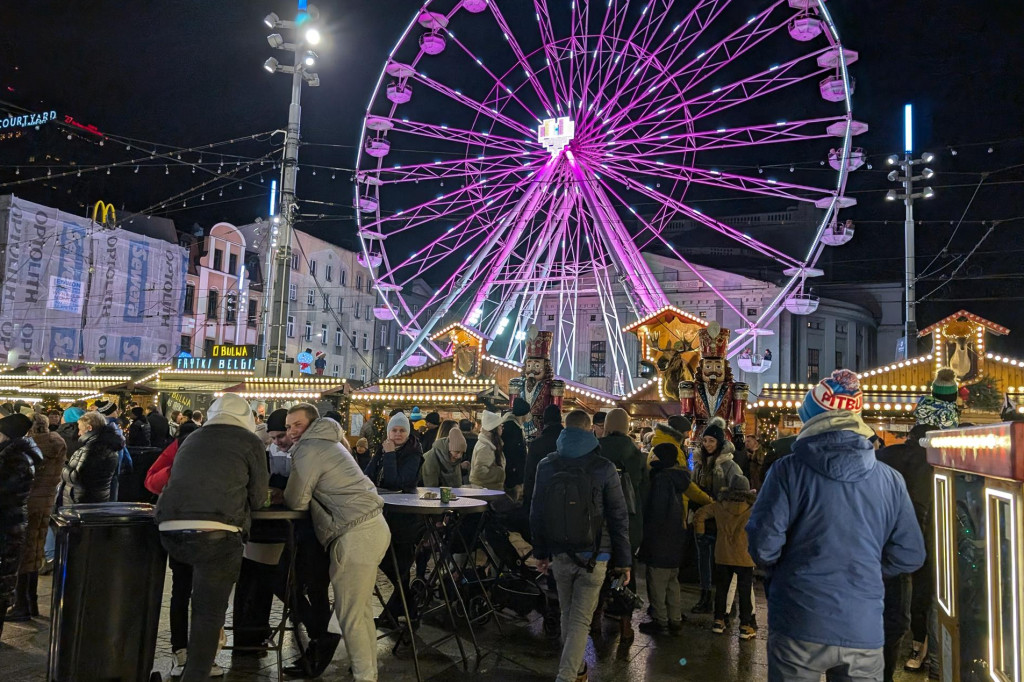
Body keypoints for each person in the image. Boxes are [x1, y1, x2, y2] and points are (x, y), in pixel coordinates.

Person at [747, 369, 925, 682]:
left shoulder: (787, 471)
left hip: (798, 619)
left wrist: (791, 569)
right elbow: (910, 553)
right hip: (863, 625)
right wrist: (868, 567)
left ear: (811, 417)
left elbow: (763, 545)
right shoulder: (890, 480)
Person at [155, 394, 268, 681]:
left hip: (170, 529)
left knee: (181, 592)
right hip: (217, 533)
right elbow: (257, 498)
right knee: (207, 613)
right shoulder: (250, 442)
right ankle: (195, 674)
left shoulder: (192, 438)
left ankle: (179, 654)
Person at [285, 404, 389, 681]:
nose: (291, 431)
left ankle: (365, 676)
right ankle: (367, 673)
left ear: (312, 424)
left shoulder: (309, 449)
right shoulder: (332, 443)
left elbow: (296, 500)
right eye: (288, 426)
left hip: (355, 531)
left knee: (350, 614)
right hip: (373, 526)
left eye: (297, 424)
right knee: (360, 611)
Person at [530, 410, 631, 682]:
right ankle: (567, 676)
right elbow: (618, 516)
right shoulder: (604, 468)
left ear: (565, 429)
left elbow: (536, 512)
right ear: (590, 430)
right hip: (596, 554)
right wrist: (624, 561)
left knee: (568, 614)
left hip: (560, 552)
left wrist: (540, 552)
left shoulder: (547, 465)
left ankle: (577, 671)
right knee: (579, 620)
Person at [144, 421, 205, 675]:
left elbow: (152, 481)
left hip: (184, 526)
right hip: (189, 529)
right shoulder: (179, 449)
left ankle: (190, 651)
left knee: (191, 592)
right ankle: (186, 651)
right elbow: (152, 481)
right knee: (191, 591)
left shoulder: (186, 447)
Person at [364, 411, 424, 623]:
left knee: (398, 564)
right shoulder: (383, 449)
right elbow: (368, 476)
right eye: (394, 430)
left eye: (401, 431)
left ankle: (398, 610)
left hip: (404, 517)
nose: (397, 435)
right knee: (392, 564)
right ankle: (406, 605)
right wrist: (382, 455)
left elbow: (396, 482)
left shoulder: (413, 453)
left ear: (408, 433)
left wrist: (389, 455)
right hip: (383, 513)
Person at [7, 415, 64, 622]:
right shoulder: (57, 444)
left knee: (23, 554)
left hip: (29, 504)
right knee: (34, 552)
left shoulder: (29, 449)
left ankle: (22, 604)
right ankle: (30, 602)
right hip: (45, 503)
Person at [597, 407, 646, 641]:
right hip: (628, 522)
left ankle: (597, 616)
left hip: (600, 521)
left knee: (598, 571)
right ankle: (626, 623)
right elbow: (642, 491)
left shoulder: (597, 449)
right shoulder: (636, 454)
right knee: (624, 570)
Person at [637, 442, 692, 636]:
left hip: (661, 538)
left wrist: (646, 536)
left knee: (657, 581)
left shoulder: (661, 479)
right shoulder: (678, 478)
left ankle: (660, 620)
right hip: (676, 535)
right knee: (672, 581)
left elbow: (656, 512)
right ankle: (675, 619)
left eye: (655, 455)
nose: (651, 458)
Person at [694, 475, 758, 640]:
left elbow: (700, 514)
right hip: (745, 555)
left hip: (722, 554)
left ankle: (718, 621)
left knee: (722, 589)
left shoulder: (719, 505)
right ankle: (745, 626)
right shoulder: (753, 508)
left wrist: (700, 533)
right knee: (744, 591)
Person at [691, 417, 742, 613]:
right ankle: (705, 596)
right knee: (703, 560)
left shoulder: (729, 465)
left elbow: (737, 490)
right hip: (702, 519)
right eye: (705, 441)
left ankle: (724, 599)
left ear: (719, 442)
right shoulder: (699, 464)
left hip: (722, 520)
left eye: (711, 441)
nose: (707, 444)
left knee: (722, 561)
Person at [0, 414, 40, 639]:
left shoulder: (15, 460)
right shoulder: (14, 456)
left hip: (7, 527)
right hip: (10, 525)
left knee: (3, 581)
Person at [58, 412, 121, 507]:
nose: (79, 433)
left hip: (81, 499)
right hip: (97, 496)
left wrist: (62, 467)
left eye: (80, 429)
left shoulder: (91, 449)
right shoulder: (108, 445)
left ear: (89, 428)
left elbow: (78, 477)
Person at [523, 405, 562, 514]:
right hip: (565, 496)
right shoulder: (568, 443)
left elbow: (530, 475)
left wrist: (527, 502)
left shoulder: (536, 444)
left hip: (541, 495)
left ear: (544, 421)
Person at [93, 399, 132, 501]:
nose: (117, 412)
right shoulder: (113, 427)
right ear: (111, 412)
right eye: (115, 410)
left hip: (104, 465)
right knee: (112, 493)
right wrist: (128, 463)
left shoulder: (98, 426)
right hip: (114, 464)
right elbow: (122, 447)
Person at [502, 399, 530, 499]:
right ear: (524, 413)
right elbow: (513, 454)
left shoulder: (514, 427)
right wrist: (517, 477)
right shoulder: (512, 429)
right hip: (512, 474)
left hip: (514, 472)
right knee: (512, 499)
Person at [470, 410, 505, 491]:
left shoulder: (490, 444)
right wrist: (500, 472)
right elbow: (479, 472)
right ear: (494, 428)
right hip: (486, 490)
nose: (502, 428)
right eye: (500, 426)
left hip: (489, 489)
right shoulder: (485, 447)